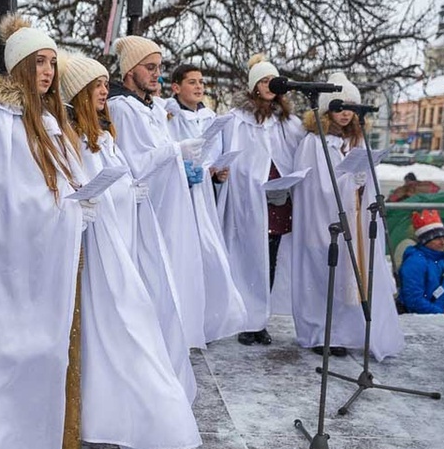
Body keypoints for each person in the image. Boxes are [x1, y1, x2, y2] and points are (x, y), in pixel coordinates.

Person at [0, 15, 95, 449]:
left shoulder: (53, 120)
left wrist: (85, 197)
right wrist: (68, 211)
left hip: (56, 257)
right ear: (18, 67)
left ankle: (55, 447)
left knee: (57, 352)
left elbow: (64, 180)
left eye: (53, 62)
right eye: (39, 62)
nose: (49, 71)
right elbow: (1, 198)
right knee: (14, 353)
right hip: (16, 264)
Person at [56, 50, 201, 449]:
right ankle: (120, 414)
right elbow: (79, 188)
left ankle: (133, 413)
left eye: (106, 83)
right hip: (100, 255)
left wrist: (128, 192)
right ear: (80, 91)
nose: (105, 90)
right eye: (97, 85)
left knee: (133, 326)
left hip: (120, 244)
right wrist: (111, 194)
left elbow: (117, 177)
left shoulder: (103, 133)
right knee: (119, 331)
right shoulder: (73, 137)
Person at [291, 72, 404, 360]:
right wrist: (348, 181)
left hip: (354, 218)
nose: (345, 115)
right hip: (323, 222)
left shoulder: (357, 139)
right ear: (328, 108)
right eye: (340, 108)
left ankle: (345, 333)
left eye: (351, 108)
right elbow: (315, 186)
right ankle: (319, 333)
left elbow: (363, 176)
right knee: (321, 276)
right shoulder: (314, 142)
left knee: (350, 276)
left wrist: (362, 179)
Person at [107, 36, 207, 350]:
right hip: (146, 210)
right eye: (149, 67)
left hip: (167, 205)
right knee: (153, 278)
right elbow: (134, 163)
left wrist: (183, 161)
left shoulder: (149, 106)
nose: (156, 74)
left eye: (159, 67)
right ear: (128, 71)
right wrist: (176, 150)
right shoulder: (122, 108)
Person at [217, 53, 305, 346]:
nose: (268, 85)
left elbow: (300, 148)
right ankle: (246, 320)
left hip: (278, 199)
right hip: (248, 200)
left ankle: (261, 320)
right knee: (247, 258)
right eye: (263, 81)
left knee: (270, 259)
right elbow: (230, 155)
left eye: (272, 80)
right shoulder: (237, 120)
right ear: (254, 86)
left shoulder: (286, 121)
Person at [164, 63, 247, 342]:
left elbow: (215, 156)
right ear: (176, 87)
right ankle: (180, 321)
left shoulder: (211, 117)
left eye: (201, 82)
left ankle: (205, 320)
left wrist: (219, 174)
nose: (199, 87)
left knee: (206, 256)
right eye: (192, 82)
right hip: (180, 196)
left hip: (204, 198)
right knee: (182, 255)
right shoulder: (167, 116)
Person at [398, 209, 444, 316]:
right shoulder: (415, 263)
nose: (443, 242)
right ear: (425, 240)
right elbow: (414, 301)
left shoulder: (440, 260)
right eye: (437, 239)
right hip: (425, 321)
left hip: (439, 317)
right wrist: (443, 314)